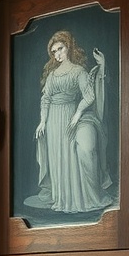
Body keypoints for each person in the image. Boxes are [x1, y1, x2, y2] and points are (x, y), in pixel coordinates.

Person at [26, 29, 113, 214]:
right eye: (54, 51)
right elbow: (46, 99)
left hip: (70, 116)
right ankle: (62, 198)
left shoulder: (78, 71)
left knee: (74, 155)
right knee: (58, 158)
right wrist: (42, 122)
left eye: (60, 49)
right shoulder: (52, 75)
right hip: (53, 121)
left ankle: (80, 198)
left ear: (69, 47)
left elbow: (89, 96)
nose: (58, 54)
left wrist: (77, 113)